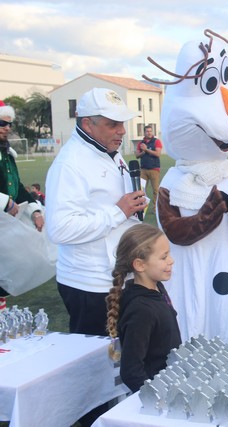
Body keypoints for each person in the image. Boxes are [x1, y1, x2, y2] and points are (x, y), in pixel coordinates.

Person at [46, 88, 146, 337]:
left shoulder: (109, 151)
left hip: (116, 275)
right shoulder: (70, 164)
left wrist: (133, 204)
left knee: (125, 351)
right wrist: (118, 212)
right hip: (89, 283)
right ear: (87, 125)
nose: (122, 131)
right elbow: (59, 229)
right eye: (113, 124)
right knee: (98, 356)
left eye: (122, 123)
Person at [106, 224, 181, 393]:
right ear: (140, 265)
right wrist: (156, 398)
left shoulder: (157, 287)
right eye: (164, 257)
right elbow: (131, 371)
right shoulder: (141, 310)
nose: (171, 260)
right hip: (161, 392)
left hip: (172, 381)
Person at [0, 100, 45, 304]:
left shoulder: (7, 153)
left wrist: (34, 210)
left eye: (9, 124)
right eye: (2, 123)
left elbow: (16, 186)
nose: (7, 128)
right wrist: (5, 202)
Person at [135, 125, 163, 215]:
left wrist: (146, 149)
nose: (149, 133)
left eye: (150, 131)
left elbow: (158, 154)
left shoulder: (156, 141)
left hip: (154, 169)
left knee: (155, 190)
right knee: (141, 190)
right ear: (144, 132)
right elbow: (137, 155)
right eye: (147, 131)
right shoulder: (141, 143)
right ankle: (141, 208)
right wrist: (143, 151)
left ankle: (155, 208)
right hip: (143, 169)